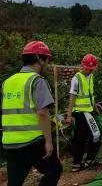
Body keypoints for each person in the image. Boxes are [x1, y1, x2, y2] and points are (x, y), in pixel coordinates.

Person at [1, 41, 62, 186]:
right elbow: (42, 113)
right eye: (47, 60)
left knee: (15, 182)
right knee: (54, 169)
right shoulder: (37, 81)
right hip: (32, 141)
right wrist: (48, 141)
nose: (47, 64)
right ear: (39, 59)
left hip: (10, 142)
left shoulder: (7, 82)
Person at [65, 53, 102, 172]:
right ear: (82, 66)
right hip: (81, 113)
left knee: (88, 136)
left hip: (89, 111)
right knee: (87, 136)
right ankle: (79, 162)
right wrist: (69, 115)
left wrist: (94, 106)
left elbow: (90, 94)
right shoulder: (77, 78)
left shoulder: (91, 76)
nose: (89, 71)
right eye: (87, 68)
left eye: (91, 69)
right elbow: (72, 97)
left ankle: (86, 160)